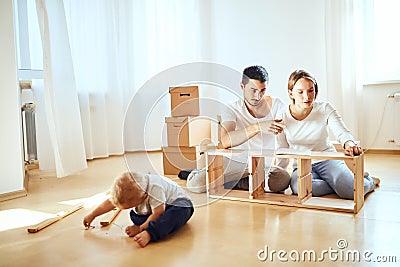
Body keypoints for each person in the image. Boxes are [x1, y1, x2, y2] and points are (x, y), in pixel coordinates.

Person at [276, 69, 380, 199]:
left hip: (328, 160)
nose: (307, 97)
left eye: (310, 90)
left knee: (350, 191)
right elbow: (282, 149)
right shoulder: (281, 115)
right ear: (290, 93)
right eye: (300, 92)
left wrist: (349, 143)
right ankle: (341, 183)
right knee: (300, 189)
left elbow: (342, 132)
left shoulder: (324, 108)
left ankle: (368, 182)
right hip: (302, 164)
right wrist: (280, 177)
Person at [83, 171, 194, 248]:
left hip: (176, 204)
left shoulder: (155, 189)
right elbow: (111, 202)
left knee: (175, 214)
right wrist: (93, 214)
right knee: (134, 215)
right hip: (154, 209)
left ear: (144, 197)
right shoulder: (134, 188)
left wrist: (140, 228)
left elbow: (158, 213)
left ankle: (150, 233)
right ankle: (151, 226)